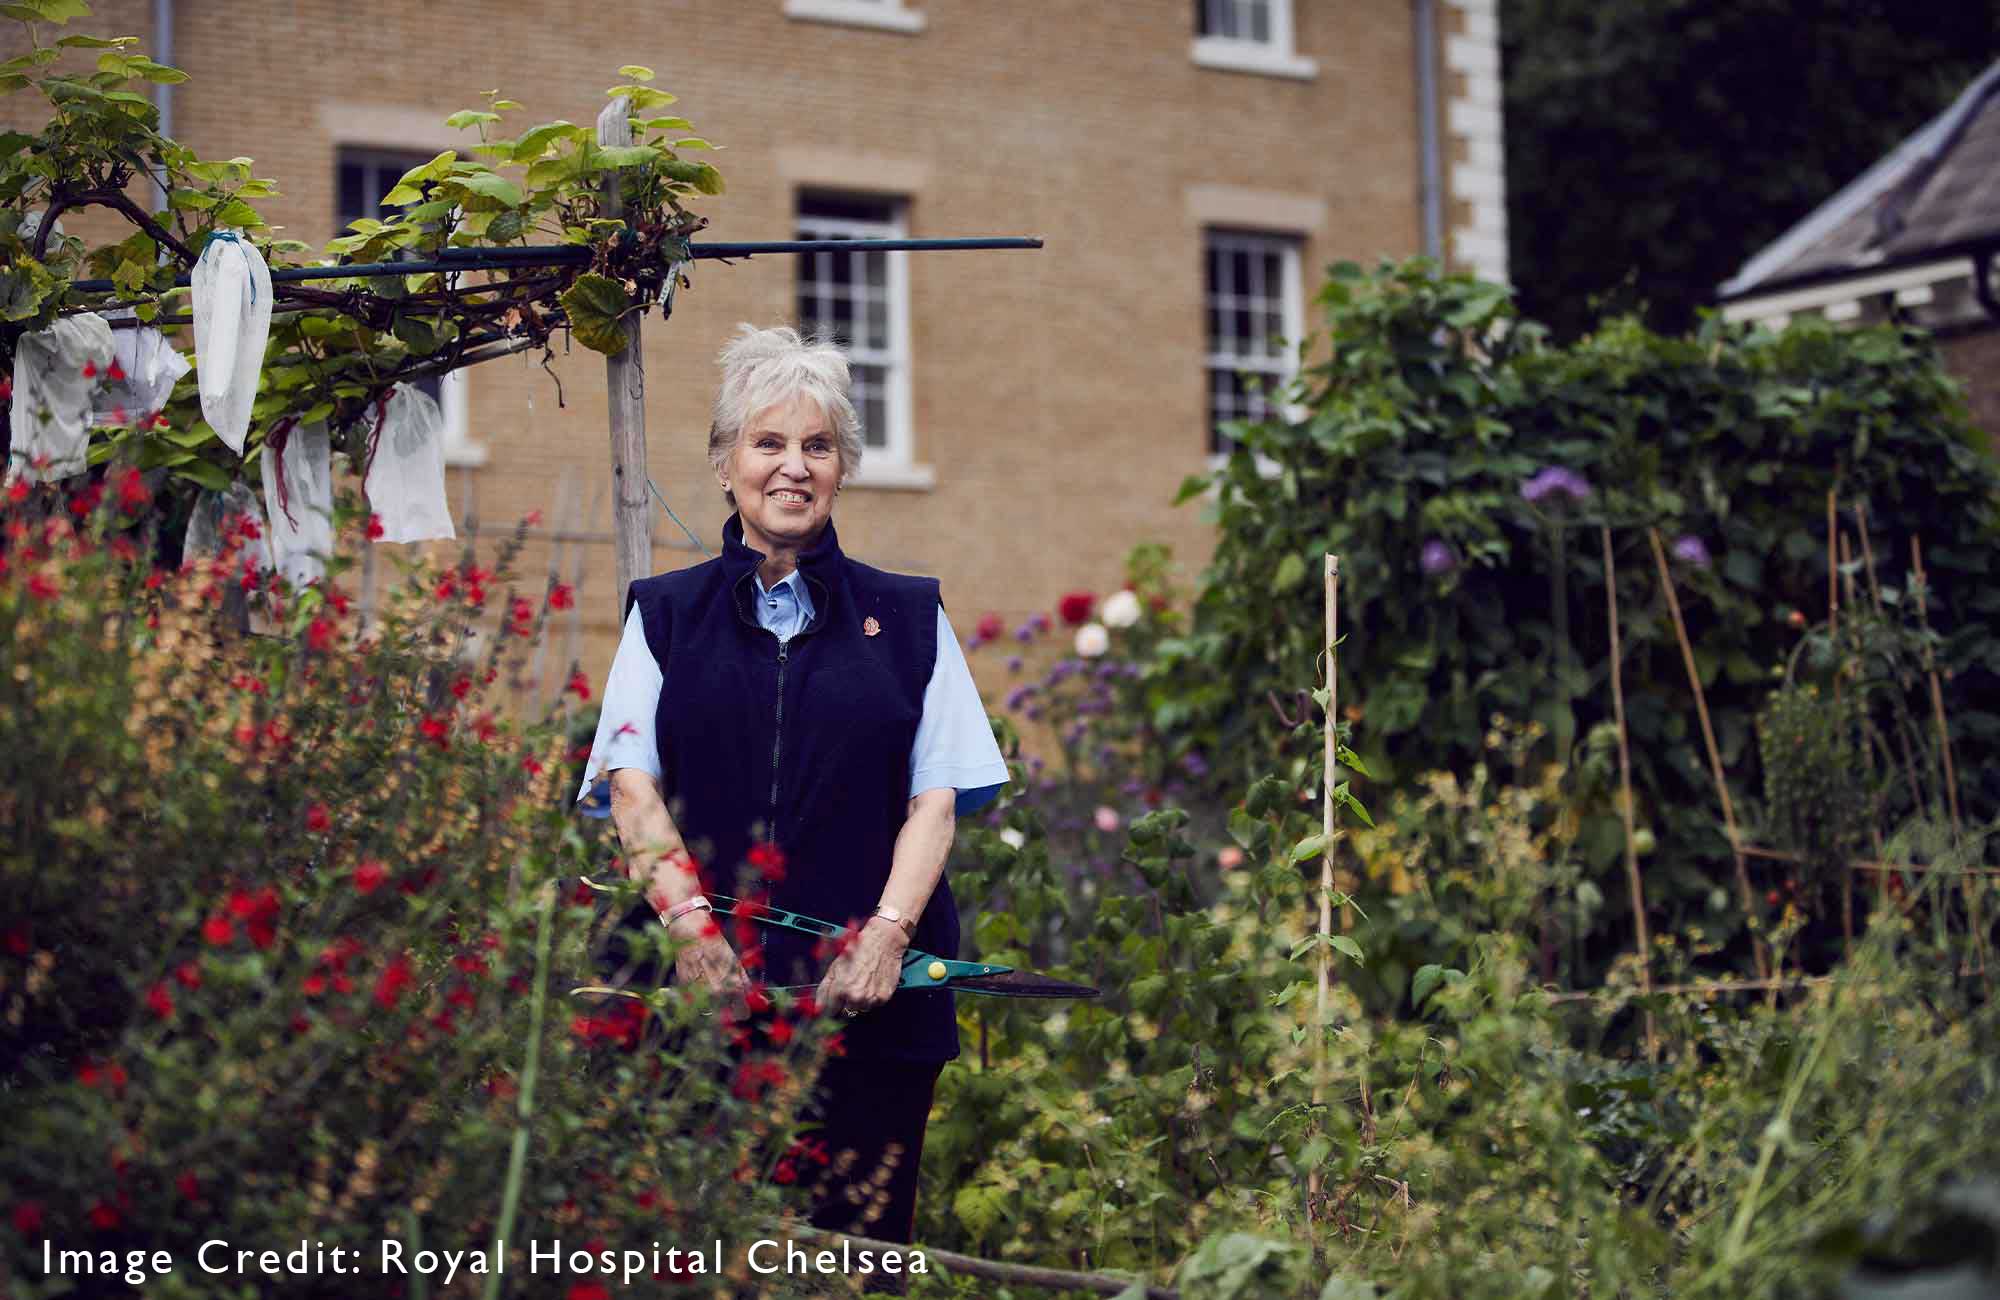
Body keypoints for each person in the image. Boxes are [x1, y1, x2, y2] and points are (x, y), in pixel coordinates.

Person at [574, 324, 1008, 1268]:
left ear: (845, 468)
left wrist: (889, 936)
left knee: (854, 1263)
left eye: (817, 446)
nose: (793, 467)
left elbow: (936, 799)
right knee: (695, 1259)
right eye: (769, 443)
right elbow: (630, 787)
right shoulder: (663, 616)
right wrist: (691, 929)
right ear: (727, 462)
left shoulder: (911, 619)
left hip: (870, 1014)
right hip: (692, 1017)